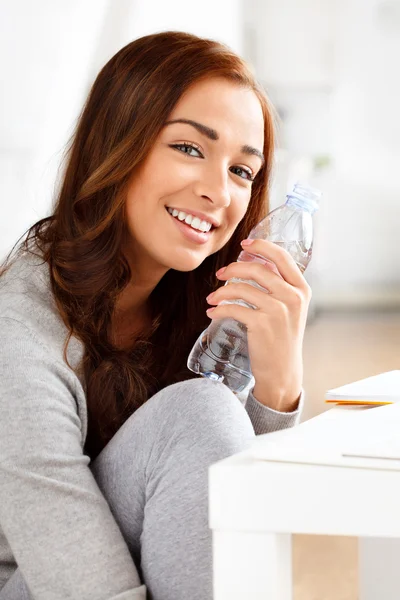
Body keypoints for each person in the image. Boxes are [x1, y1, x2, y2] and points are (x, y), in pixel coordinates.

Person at [0, 31, 311, 600]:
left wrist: (280, 383)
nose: (218, 191)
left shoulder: (197, 307)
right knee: (199, 412)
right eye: (189, 148)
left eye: (242, 172)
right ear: (115, 145)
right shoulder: (16, 335)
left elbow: (232, 528)